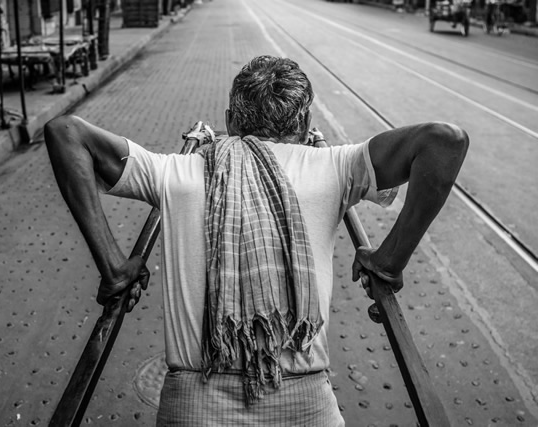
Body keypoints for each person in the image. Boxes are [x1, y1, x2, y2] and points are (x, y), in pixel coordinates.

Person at [44, 55, 468, 426]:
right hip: (305, 406)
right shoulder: (333, 166)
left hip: (192, 406)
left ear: (230, 122)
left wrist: (115, 267)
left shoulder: (178, 172)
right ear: (303, 126)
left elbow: (65, 134)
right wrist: (389, 260)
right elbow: (445, 142)